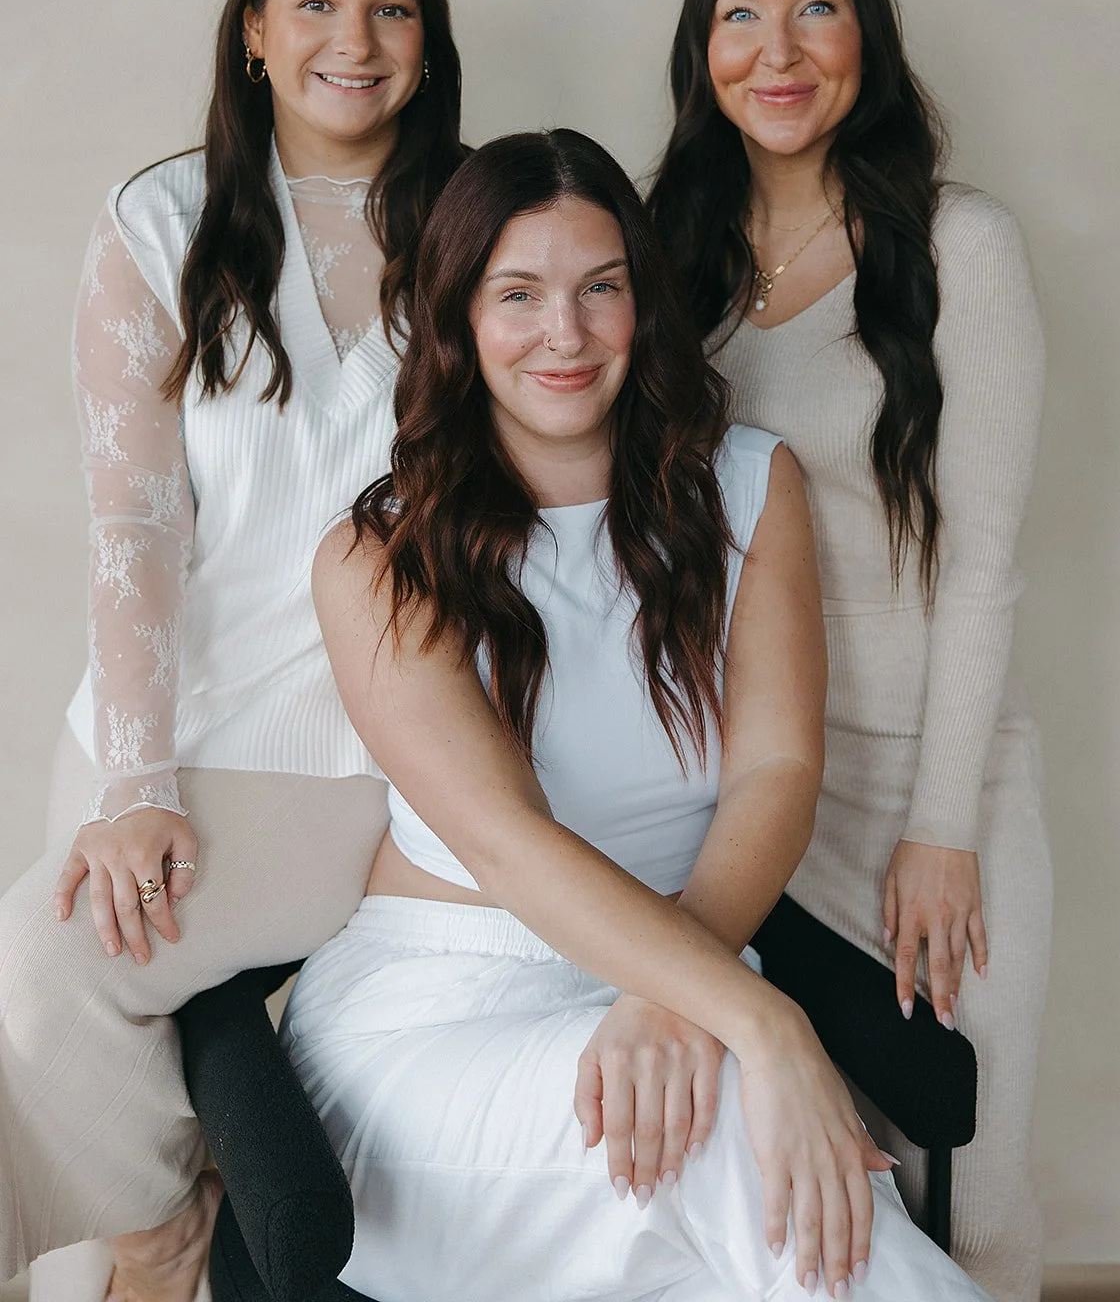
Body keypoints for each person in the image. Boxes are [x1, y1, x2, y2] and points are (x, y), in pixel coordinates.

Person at [282, 128, 993, 1302]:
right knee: (753, 1152)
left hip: (688, 966)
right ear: (457, 319)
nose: (564, 333)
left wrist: (681, 990)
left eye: (599, 288)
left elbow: (775, 771)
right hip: (438, 1021)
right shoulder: (379, 556)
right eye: (518, 294)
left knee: (766, 1204)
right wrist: (763, 1025)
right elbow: (508, 842)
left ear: (641, 305)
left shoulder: (752, 489)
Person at [0, 0, 465, 1302]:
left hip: (347, 748)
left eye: (392, 8)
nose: (355, 39)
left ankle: (161, 1241)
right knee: (48, 1004)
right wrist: (135, 779)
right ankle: (161, 1228)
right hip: (142, 725)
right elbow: (133, 519)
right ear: (253, 29)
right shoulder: (161, 219)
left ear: (428, 44)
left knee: (50, 976)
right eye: (315, 2)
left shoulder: (477, 224)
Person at [647, 0, 1050, 1302]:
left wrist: (942, 831)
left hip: (924, 798)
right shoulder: (664, 263)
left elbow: (984, 561)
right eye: (737, 14)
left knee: (968, 1186)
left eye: (813, 7)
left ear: (864, 38)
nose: (776, 46)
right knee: (812, 1207)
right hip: (747, 797)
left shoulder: (959, 250)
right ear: (701, 50)